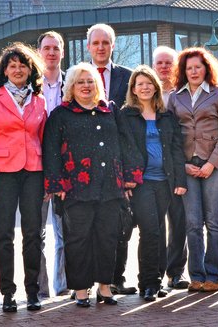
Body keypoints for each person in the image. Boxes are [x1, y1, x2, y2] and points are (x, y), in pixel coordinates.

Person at [42, 63, 143, 308]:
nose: (86, 86)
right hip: (75, 188)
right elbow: (51, 150)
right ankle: (80, 290)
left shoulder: (110, 110)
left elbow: (126, 143)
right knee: (78, 240)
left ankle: (105, 288)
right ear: (72, 86)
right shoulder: (61, 114)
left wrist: (130, 176)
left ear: (97, 85)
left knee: (107, 238)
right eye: (80, 82)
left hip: (110, 186)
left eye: (90, 81)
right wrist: (57, 184)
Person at [0, 43, 47, 312]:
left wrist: (48, 177)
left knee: (33, 234)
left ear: (31, 70)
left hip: (33, 171)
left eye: (23, 65)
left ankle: (32, 291)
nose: (18, 70)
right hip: (2, 172)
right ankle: (8, 293)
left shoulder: (39, 100)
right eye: (12, 65)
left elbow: (43, 138)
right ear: (4, 69)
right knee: (4, 234)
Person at [168, 47, 218, 292]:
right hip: (187, 166)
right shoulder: (175, 98)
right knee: (193, 222)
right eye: (189, 68)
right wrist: (182, 165)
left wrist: (211, 164)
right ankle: (196, 275)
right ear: (183, 72)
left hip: (213, 165)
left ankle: (215, 275)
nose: (194, 71)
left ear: (207, 68)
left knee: (213, 221)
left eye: (198, 66)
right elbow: (172, 137)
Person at [118, 65, 187, 301]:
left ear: (156, 87)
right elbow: (122, 150)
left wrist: (179, 179)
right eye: (140, 84)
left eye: (149, 83)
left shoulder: (166, 116)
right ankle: (148, 283)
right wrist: (125, 180)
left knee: (158, 230)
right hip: (141, 182)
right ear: (133, 90)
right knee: (149, 231)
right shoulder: (126, 115)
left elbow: (177, 149)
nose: (145, 87)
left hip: (165, 181)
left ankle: (155, 280)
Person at [85, 23, 136, 295]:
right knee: (91, 225)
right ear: (89, 47)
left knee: (120, 223)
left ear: (113, 45)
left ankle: (117, 278)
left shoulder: (127, 77)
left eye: (106, 42)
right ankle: (90, 281)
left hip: (118, 159)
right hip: (87, 163)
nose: (101, 47)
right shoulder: (79, 76)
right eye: (96, 43)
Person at [152, 46, 189, 289]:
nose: (164, 67)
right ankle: (154, 272)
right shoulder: (145, 93)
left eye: (169, 63)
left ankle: (176, 272)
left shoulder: (183, 94)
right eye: (160, 63)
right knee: (154, 224)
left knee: (179, 221)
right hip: (153, 170)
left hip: (178, 166)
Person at [35, 31, 68, 298]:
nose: (51, 53)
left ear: (62, 52)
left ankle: (64, 286)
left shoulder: (73, 82)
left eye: (56, 48)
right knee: (37, 234)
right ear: (39, 52)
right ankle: (40, 290)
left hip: (67, 169)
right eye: (46, 48)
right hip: (34, 166)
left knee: (65, 231)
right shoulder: (29, 86)